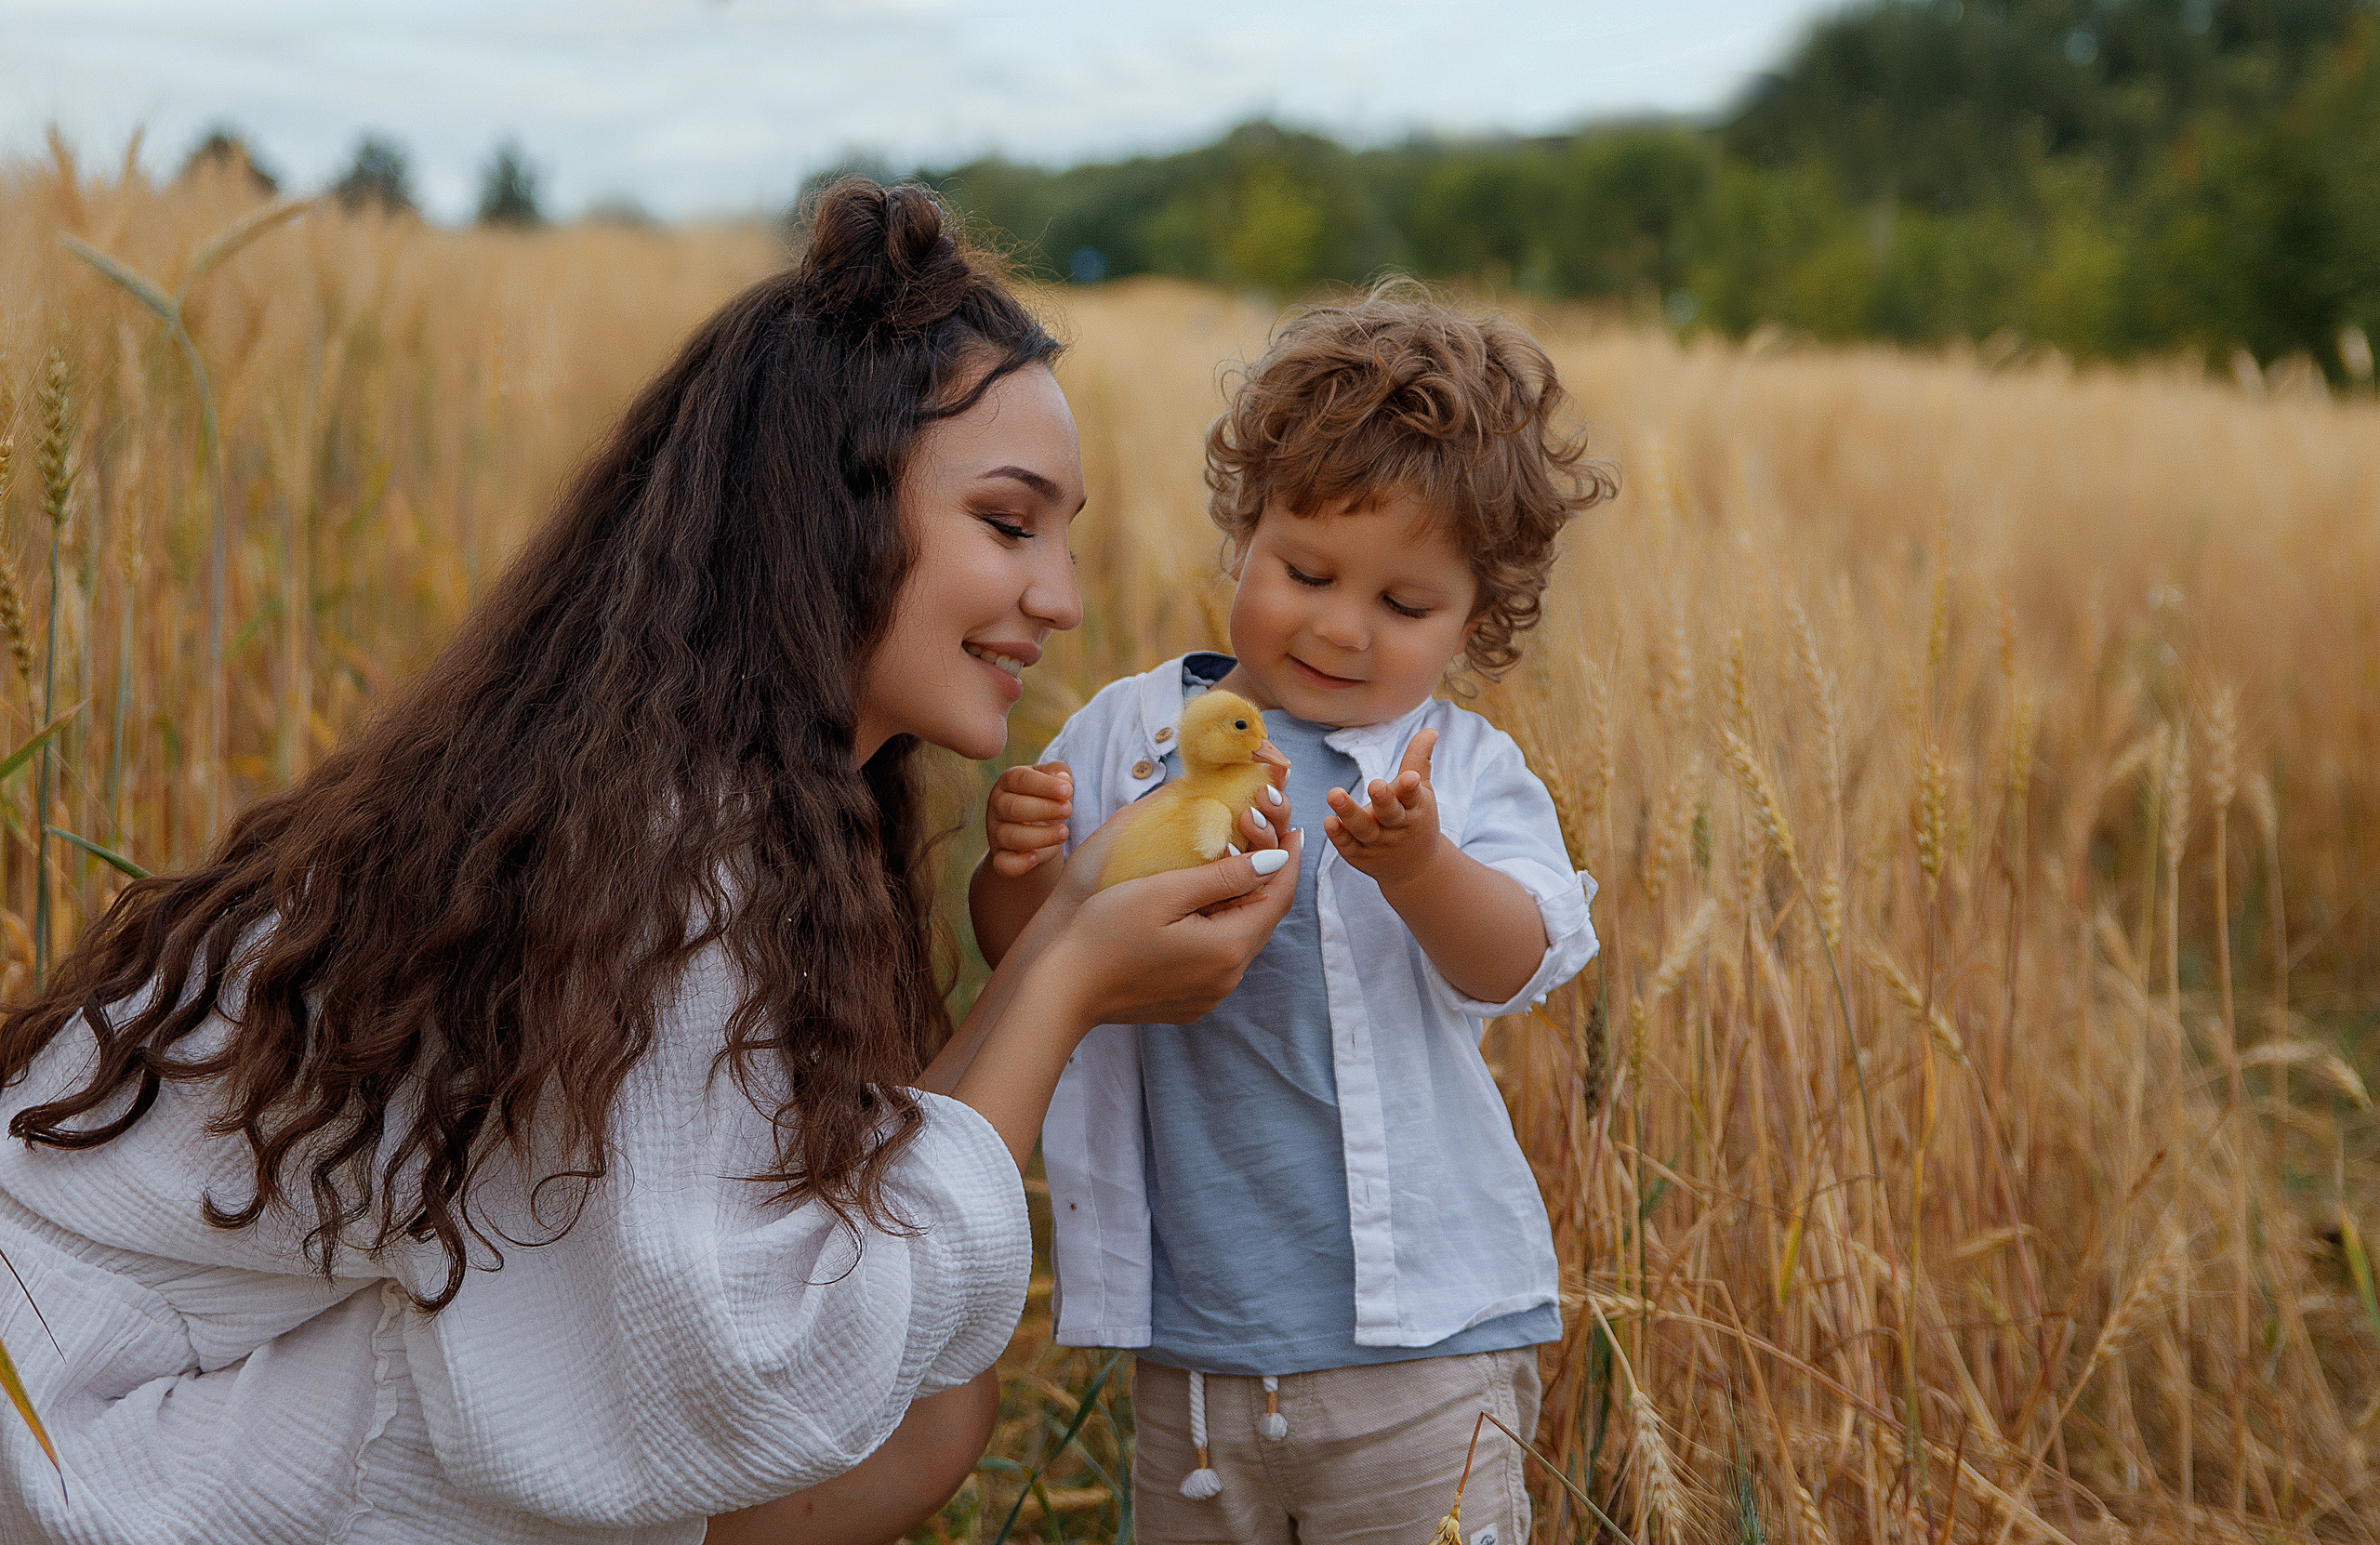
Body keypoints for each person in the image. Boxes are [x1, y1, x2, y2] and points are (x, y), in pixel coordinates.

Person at [0, 179, 1297, 1545]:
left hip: (138, 1397)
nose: (1065, 597)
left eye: (1068, 534)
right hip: (72, 1439)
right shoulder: (665, 851)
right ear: (825, 515)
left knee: (925, 1396)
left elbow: (827, 1285)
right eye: (1008, 522)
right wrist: (1067, 982)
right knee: (670, 1382)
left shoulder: (716, 795)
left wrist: (1063, 934)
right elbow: (726, 1368)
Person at [971, 286, 1615, 1545]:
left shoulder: (1455, 770)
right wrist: (1017, 862)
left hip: (1420, 1360)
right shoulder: (1127, 733)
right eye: (1305, 571)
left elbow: (1519, 959)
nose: (1335, 625)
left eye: (1403, 604)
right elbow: (1028, 955)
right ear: (1244, 533)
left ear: (1478, 620)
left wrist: (1420, 863)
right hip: (1199, 1369)